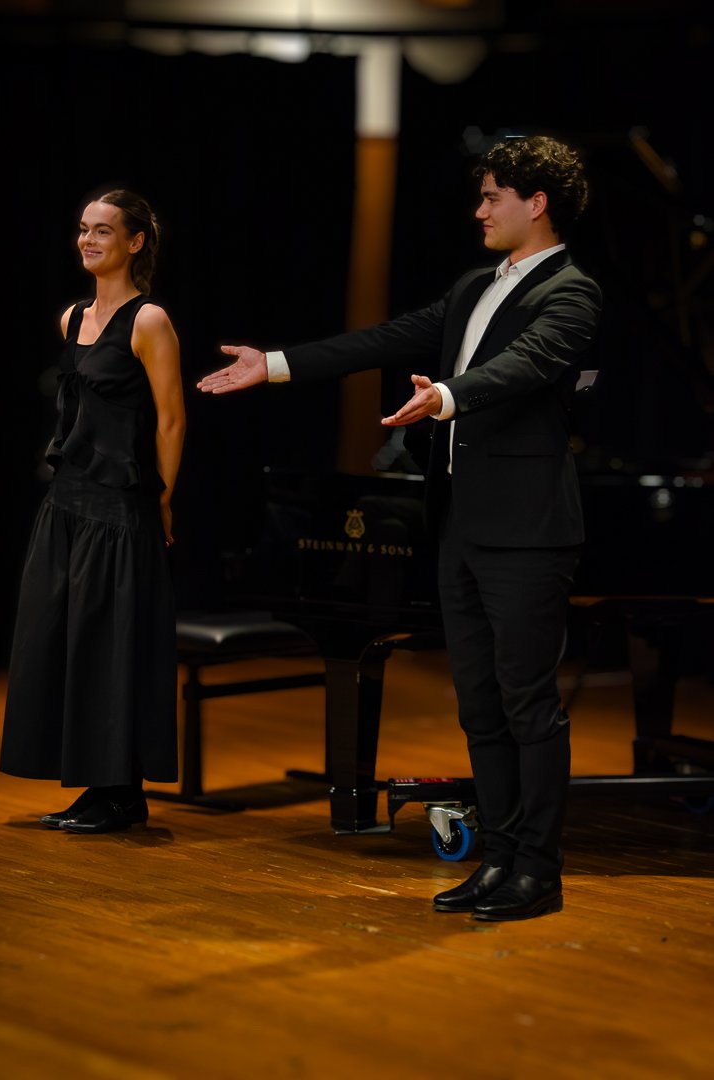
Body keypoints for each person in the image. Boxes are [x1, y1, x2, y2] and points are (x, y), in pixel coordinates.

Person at [197, 136, 601, 920]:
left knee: (526, 704)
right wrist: (274, 364)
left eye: (492, 196)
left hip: (525, 532)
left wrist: (446, 396)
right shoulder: (474, 285)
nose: (478, 209)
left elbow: (524, 366)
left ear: (536, 202)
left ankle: (537, 872)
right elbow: (380, 339)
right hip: (457, 526)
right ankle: (498, 860)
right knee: (478, 706)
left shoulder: (572, 292)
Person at [0, 189, 186, 834]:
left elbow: (169, 418)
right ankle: (91, 785)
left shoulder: (149, 320)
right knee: (62, 641)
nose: (88, 240)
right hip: (67, 501)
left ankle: (121, 792)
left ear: (135, 242)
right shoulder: (71, 318)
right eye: (83, 229)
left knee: (110, 645)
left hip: (120, 506)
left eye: (103, 231)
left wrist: (162, 497)